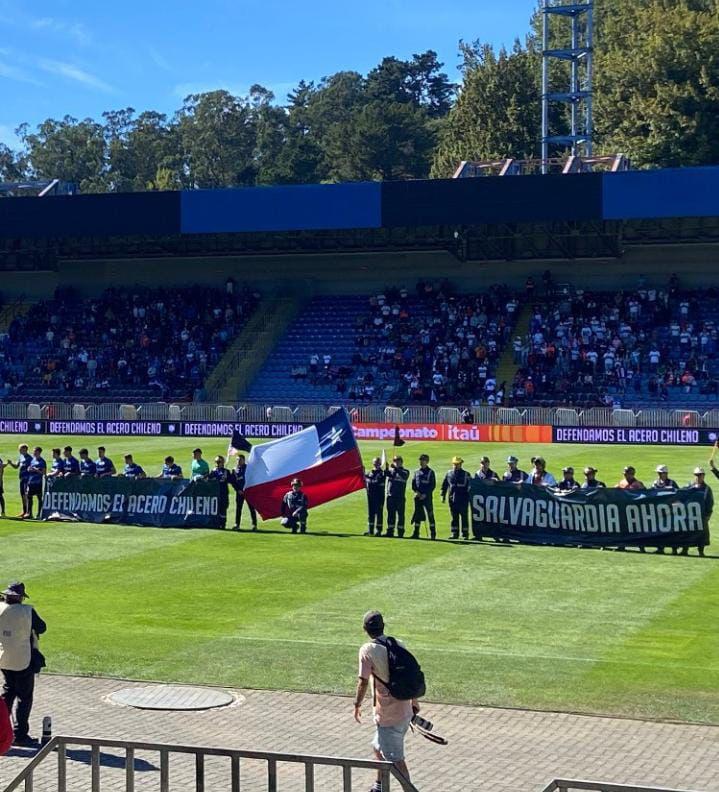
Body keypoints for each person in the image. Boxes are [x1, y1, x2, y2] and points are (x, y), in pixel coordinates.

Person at [354, 611, 419, 792]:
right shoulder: (398, 644)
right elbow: (409, 676)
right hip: (405, 708)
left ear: (365, 629)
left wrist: (357, 705)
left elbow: (363, 681)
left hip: (389, 715)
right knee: (377, 747)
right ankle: (379, 787)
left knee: (396, 760)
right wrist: (415, 701)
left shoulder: (367, 650)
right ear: (383, 626)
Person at [0, 582, 46, 746]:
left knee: (8, 694)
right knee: (24, 698)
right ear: (20, 597)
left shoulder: (0, 608)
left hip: (4, 659)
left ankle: (2, 731)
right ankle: (20, 735)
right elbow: (42, 627)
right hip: (23, 659)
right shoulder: (27, 611)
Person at [441, 456, 472, 540]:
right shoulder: (449, 473)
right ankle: (455, 533)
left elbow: (470, 487)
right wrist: (442, 495)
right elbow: (445, 485)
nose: (456, 465)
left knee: (464, 517)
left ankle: (465, 534)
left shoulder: (466, 474)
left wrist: (469, 498)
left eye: (457, 464)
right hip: (452, 499)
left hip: (463, 499)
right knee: (454, 517)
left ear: (461, 464)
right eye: (454, 464)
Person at [685, 467, 712, 557]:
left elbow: (709, 502)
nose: (698, 477)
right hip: (690, 514)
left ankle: (701, 551)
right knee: (687, 532)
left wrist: (708, 514)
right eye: (696, 475)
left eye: (700, 475)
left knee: (702, 534)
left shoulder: (707, 489)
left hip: (701, 515)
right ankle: (685, 549)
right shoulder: (689, 486)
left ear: (703, 476)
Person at [411, 454, 436, 540]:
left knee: (430, 515)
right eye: (421, 460)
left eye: (423, 460)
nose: (421, 462)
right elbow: (413, 485)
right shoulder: (416, 472)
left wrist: (425, 494)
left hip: (427, 497)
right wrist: (417, 492)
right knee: (418, 514)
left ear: (427, 461)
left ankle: (433, 533)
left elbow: (432, 485)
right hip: (418, 497)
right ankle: (416, 532)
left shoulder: (430, 472)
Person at [231, 454, 257, 531]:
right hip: (239, 492)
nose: (238, 461)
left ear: (243, 460)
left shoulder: (248, 468)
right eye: (237, 460)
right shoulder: (234, 470)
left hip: (248, 491)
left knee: (251, 508)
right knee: (238, 508)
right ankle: (237, 524)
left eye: (240, 460)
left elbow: (252, 478)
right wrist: (238, 490)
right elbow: (233, 482)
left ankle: (254, 525)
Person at [385, 455, 409, 538]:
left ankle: (400, 532)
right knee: (391, 514)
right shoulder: (392, 471)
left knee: (400, 515)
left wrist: (395, 468)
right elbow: (386, 473)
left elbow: (404, 476)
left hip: (400, 497)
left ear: (401, 462)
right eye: (395, 461)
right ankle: (390, 531)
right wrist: (387, 468)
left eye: (398, 461)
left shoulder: (405, 471)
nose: (396, 463)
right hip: (391, 496)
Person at [8, 444, 32, 519]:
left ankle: (28, 512)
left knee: (26, 496)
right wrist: (11, 463)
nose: (19, 451)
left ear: (25, 449)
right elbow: (16, 466)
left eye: (20, 449)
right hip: (21, 479)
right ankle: (24, 511)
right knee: (22, 495)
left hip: (27, 479)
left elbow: (32, 468)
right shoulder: (21, 457)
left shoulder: (30, 458)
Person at [365, 457, 386, 536]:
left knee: (379, 514)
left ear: (380, 464)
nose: (376, 464)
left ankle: (379, 531)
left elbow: (375, 482)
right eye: (375, 463)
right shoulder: (370, 472)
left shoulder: (382, 473)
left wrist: (367, 478)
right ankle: (370, 531)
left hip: (379, 497)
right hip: (370, 496)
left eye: (378, 463)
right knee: (371, 514)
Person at [209, 455, 231, 529]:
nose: (217, 463)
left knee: (223, 509)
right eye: (216, 462)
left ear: (223, 462)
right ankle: (216, 523)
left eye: (219, 462)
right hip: (215, 494)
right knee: (215, 509)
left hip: (223, 493)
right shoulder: (213, 471)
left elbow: (232, 481)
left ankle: (223, 524)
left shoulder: (226, 472)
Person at [25, 448, 46, 520]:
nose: (34, 453)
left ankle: (39, 514)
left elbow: (43, 472)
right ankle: (29, 513)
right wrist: (29, 469)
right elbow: (30, 467)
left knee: (39, 498)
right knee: (29, 497)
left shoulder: (42, 461)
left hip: (38, 483)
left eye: (35, 451)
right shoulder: (33, 460)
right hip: (31, 482)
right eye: (34, 451)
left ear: (39, 452)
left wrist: (36, 470)